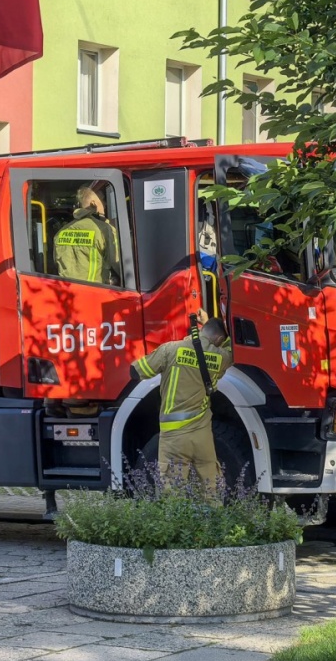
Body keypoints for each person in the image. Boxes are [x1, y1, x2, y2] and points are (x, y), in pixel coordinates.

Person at [130, 317, 233, 489]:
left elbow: (135, 371)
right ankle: (210, 516)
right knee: (210, 488)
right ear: (218, 340)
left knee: (172, 492)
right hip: (202, 436)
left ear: (201, 330)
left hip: (174, 436)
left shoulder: (171, 350)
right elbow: (231, 349)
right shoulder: (221, 357)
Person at [54, 185, 121, 285]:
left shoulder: (61, 232)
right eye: (103, 200)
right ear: (93, 203)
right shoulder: (104, 229)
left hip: (67, 293)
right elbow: (118, 265)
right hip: (95, 293)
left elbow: (57, 263)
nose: (105, 204)